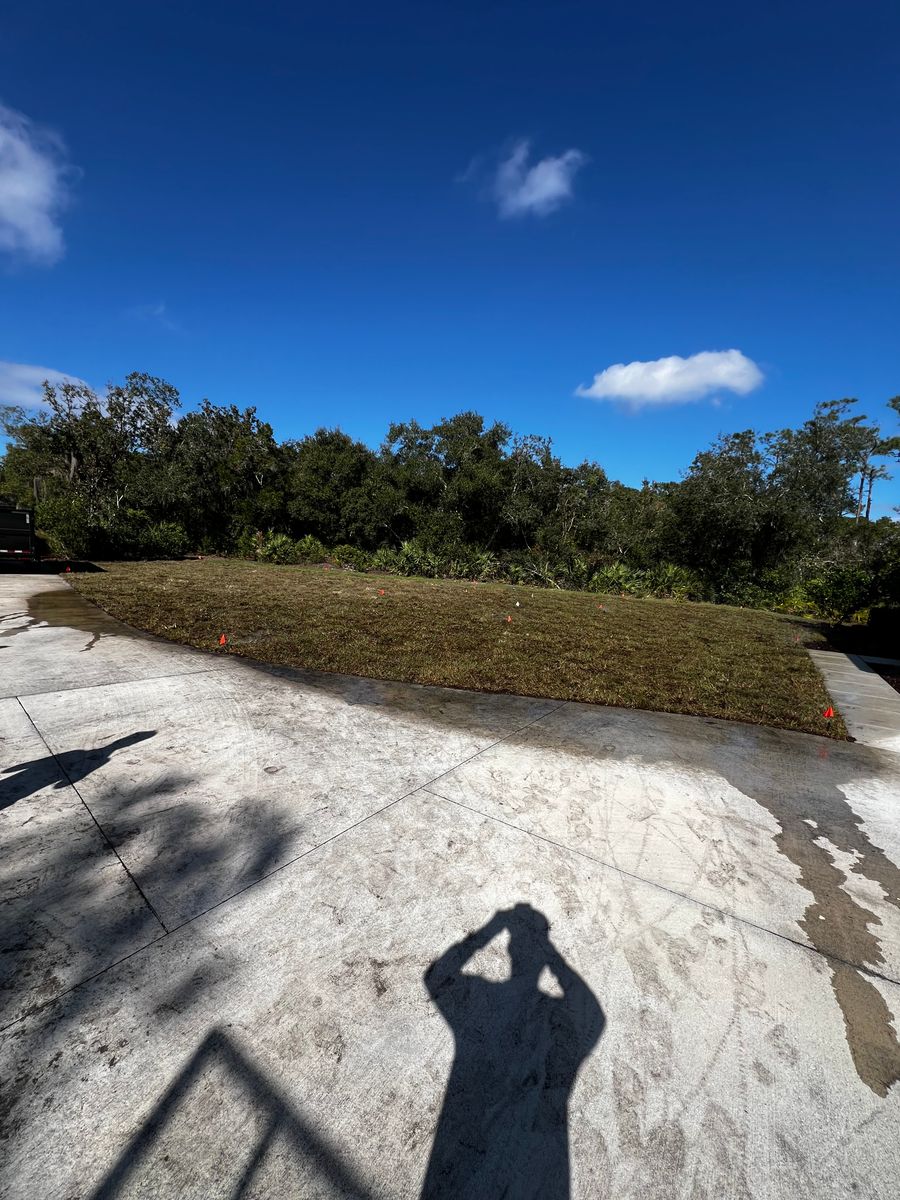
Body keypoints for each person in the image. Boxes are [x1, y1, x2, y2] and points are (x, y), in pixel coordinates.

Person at [421, 903, 604, 1199]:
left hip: (468, 1151)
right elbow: (592, 1014)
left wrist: (489, 929)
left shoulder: (480, 999)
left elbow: (435, 977)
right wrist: (549, 953)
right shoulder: (554, 1015)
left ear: (509, 951)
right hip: (532, 1163)